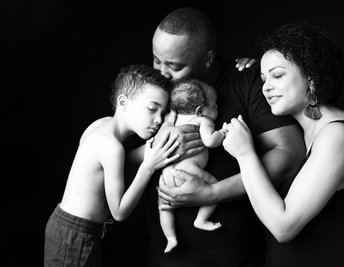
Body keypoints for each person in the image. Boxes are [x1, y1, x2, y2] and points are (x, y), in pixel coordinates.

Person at [222, 21, 344, 266]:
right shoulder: (308, 130)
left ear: (312, 78)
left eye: (278, 75)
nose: (266, 87)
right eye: (263, 79)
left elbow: (284, 227)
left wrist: (244, 154)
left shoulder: (337, 135)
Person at [142, 7, 306, 266]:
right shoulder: (152, 88)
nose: (161, 73)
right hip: (163, 256)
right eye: (156, 60)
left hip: (232, 257)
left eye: (174, 66)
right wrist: (160, 144)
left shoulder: (246, 81)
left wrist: (211, 193)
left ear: (207, 59)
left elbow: (289, 154)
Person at [44, 64, 181, 267]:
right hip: (76, 237)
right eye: (152, 109)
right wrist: (148, 167)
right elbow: (119, 212)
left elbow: (112, 166)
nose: (159, 119)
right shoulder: (112, 147)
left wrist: (156, 144)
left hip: (63, 225)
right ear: (124, 102)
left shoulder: (101, 125)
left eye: (163, 112)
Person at [159, 78, 227, 253]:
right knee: (215, 188)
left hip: (167, 174)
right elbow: (211, 141)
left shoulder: (173, 121)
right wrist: (223, 132)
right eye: (214, 105)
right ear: (199, 111)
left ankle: (170, 238)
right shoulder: (203, 120)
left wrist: (167, 122)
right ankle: (201, 220)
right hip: (189, 171)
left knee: (164, 205)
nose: (217, 107)